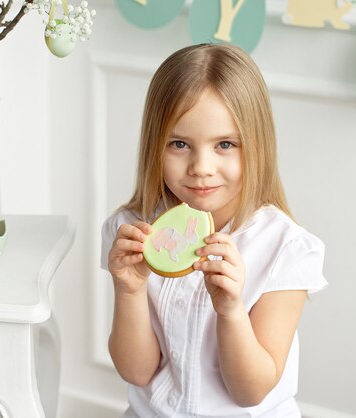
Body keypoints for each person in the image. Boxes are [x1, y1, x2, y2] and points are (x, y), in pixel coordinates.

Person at [101, 43, 327, 418]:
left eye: (225, 144)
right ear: (154, 145)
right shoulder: (132, 229)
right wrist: (130, 289)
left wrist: (231, 311)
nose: (201, 166)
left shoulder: (284, 248)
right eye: (179, 144)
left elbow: (250, 391)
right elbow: (136, 371)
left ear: (255, 145)